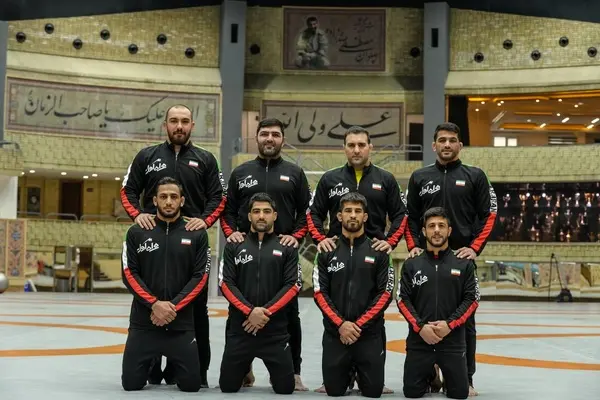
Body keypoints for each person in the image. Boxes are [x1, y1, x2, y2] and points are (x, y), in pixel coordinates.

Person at [120, 104, 226, 388]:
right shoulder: (147, 156)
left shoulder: (206, 159)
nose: (179, 126)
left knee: (197, 310)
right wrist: (137, 214)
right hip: (152, 240)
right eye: (174, 121)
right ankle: (151, 368)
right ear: (164, 125)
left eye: (185, 121)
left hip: (190, 243)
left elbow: (219, 196)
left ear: (192, 125)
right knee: (150, 300)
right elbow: (128, 190)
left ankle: (197, 371)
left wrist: (205, 221)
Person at [308, 125, 407, 394]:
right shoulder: (329, 179)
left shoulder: (386, 179)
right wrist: (320, 239)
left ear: (370, 148)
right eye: (351, 145)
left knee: (375, 315)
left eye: (361, 145)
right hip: (338, 253)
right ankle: (337, 372)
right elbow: (313, 213)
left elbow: (401, 214)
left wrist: (389, 242)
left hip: (373, 256)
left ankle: (373, 375)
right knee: (334, 309)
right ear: (344, 148)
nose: (356, 150)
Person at [404, 122, 497, 396]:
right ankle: (429, 374)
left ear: (460, 145)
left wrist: (474, 248)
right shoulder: (419, 177)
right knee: (422, 316)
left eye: (452, 140)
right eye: (442, 140)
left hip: (460, 259)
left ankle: (465, 378)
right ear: (434, 145)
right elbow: (409, 216)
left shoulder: (475, 176)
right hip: (425, 258)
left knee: (465, 322)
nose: (447, 144)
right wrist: (413, 246)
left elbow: (489, 215)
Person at [220, 117, 311, 391]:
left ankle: (294, 370)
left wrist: (295, 237)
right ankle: (243, 367)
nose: (269, 138)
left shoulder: (295, 173)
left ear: (283, 140)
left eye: (275, 134)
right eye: (264, 134)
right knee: (237, 312)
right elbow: (227, 210)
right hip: (246, 252)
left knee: (290, 316)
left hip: (282, 255)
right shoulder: (241, 172)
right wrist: (231, 234)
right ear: (256, 138)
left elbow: (306, 213)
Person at [121, 177, 211, 392]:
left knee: (191, 386)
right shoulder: (136, 232)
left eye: (173, 197)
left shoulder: (197, 233)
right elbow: (128, 273)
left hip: (180, 324)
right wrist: (154, 304)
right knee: (131, 385)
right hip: (144, 323)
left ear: (182, 201)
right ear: (154, 200)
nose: (168, 201)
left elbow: (200, 277)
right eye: (163, 197)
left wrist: (172, 307)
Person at [217, 192, 303, 394]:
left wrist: (264, 313)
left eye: (266, 211)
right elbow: (226, 283)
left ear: (275, 215)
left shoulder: (287, 247)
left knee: (285, 389)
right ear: (249, 216)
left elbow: (293, 285)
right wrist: (249, 311)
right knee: (228, 387)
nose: (261, 216)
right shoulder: (234, 245)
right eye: (256, 211)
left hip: (274, 332)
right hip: (241, 330)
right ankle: (245, 370)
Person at [313, 192, 394, 398]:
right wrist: (341, 324)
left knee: (373, 392)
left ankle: (360, 370)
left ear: (365, 217)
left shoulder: (379, 251)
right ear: (339, 216)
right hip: (336, 333)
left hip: (368, 334)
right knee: (334, 391)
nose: (352, 215)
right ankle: (347, 372)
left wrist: (358, 325)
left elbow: (385, 294)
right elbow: (320, 293)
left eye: (358, 211)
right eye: (348, 211)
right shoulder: (326, 251)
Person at [397, 207, 480, 399]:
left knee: (459, 394)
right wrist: (420, 327)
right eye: (431, 226)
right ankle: (432, 374)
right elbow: (402, 299)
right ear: (424, 231)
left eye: (441, 226)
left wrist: (449, 325)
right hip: (420, 341)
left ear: (449, 231)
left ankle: (448, 376)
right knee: (412, 393)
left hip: (452, 342)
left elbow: (472, 299)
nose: (436, 230)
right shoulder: (412, 264)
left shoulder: (464, 263)